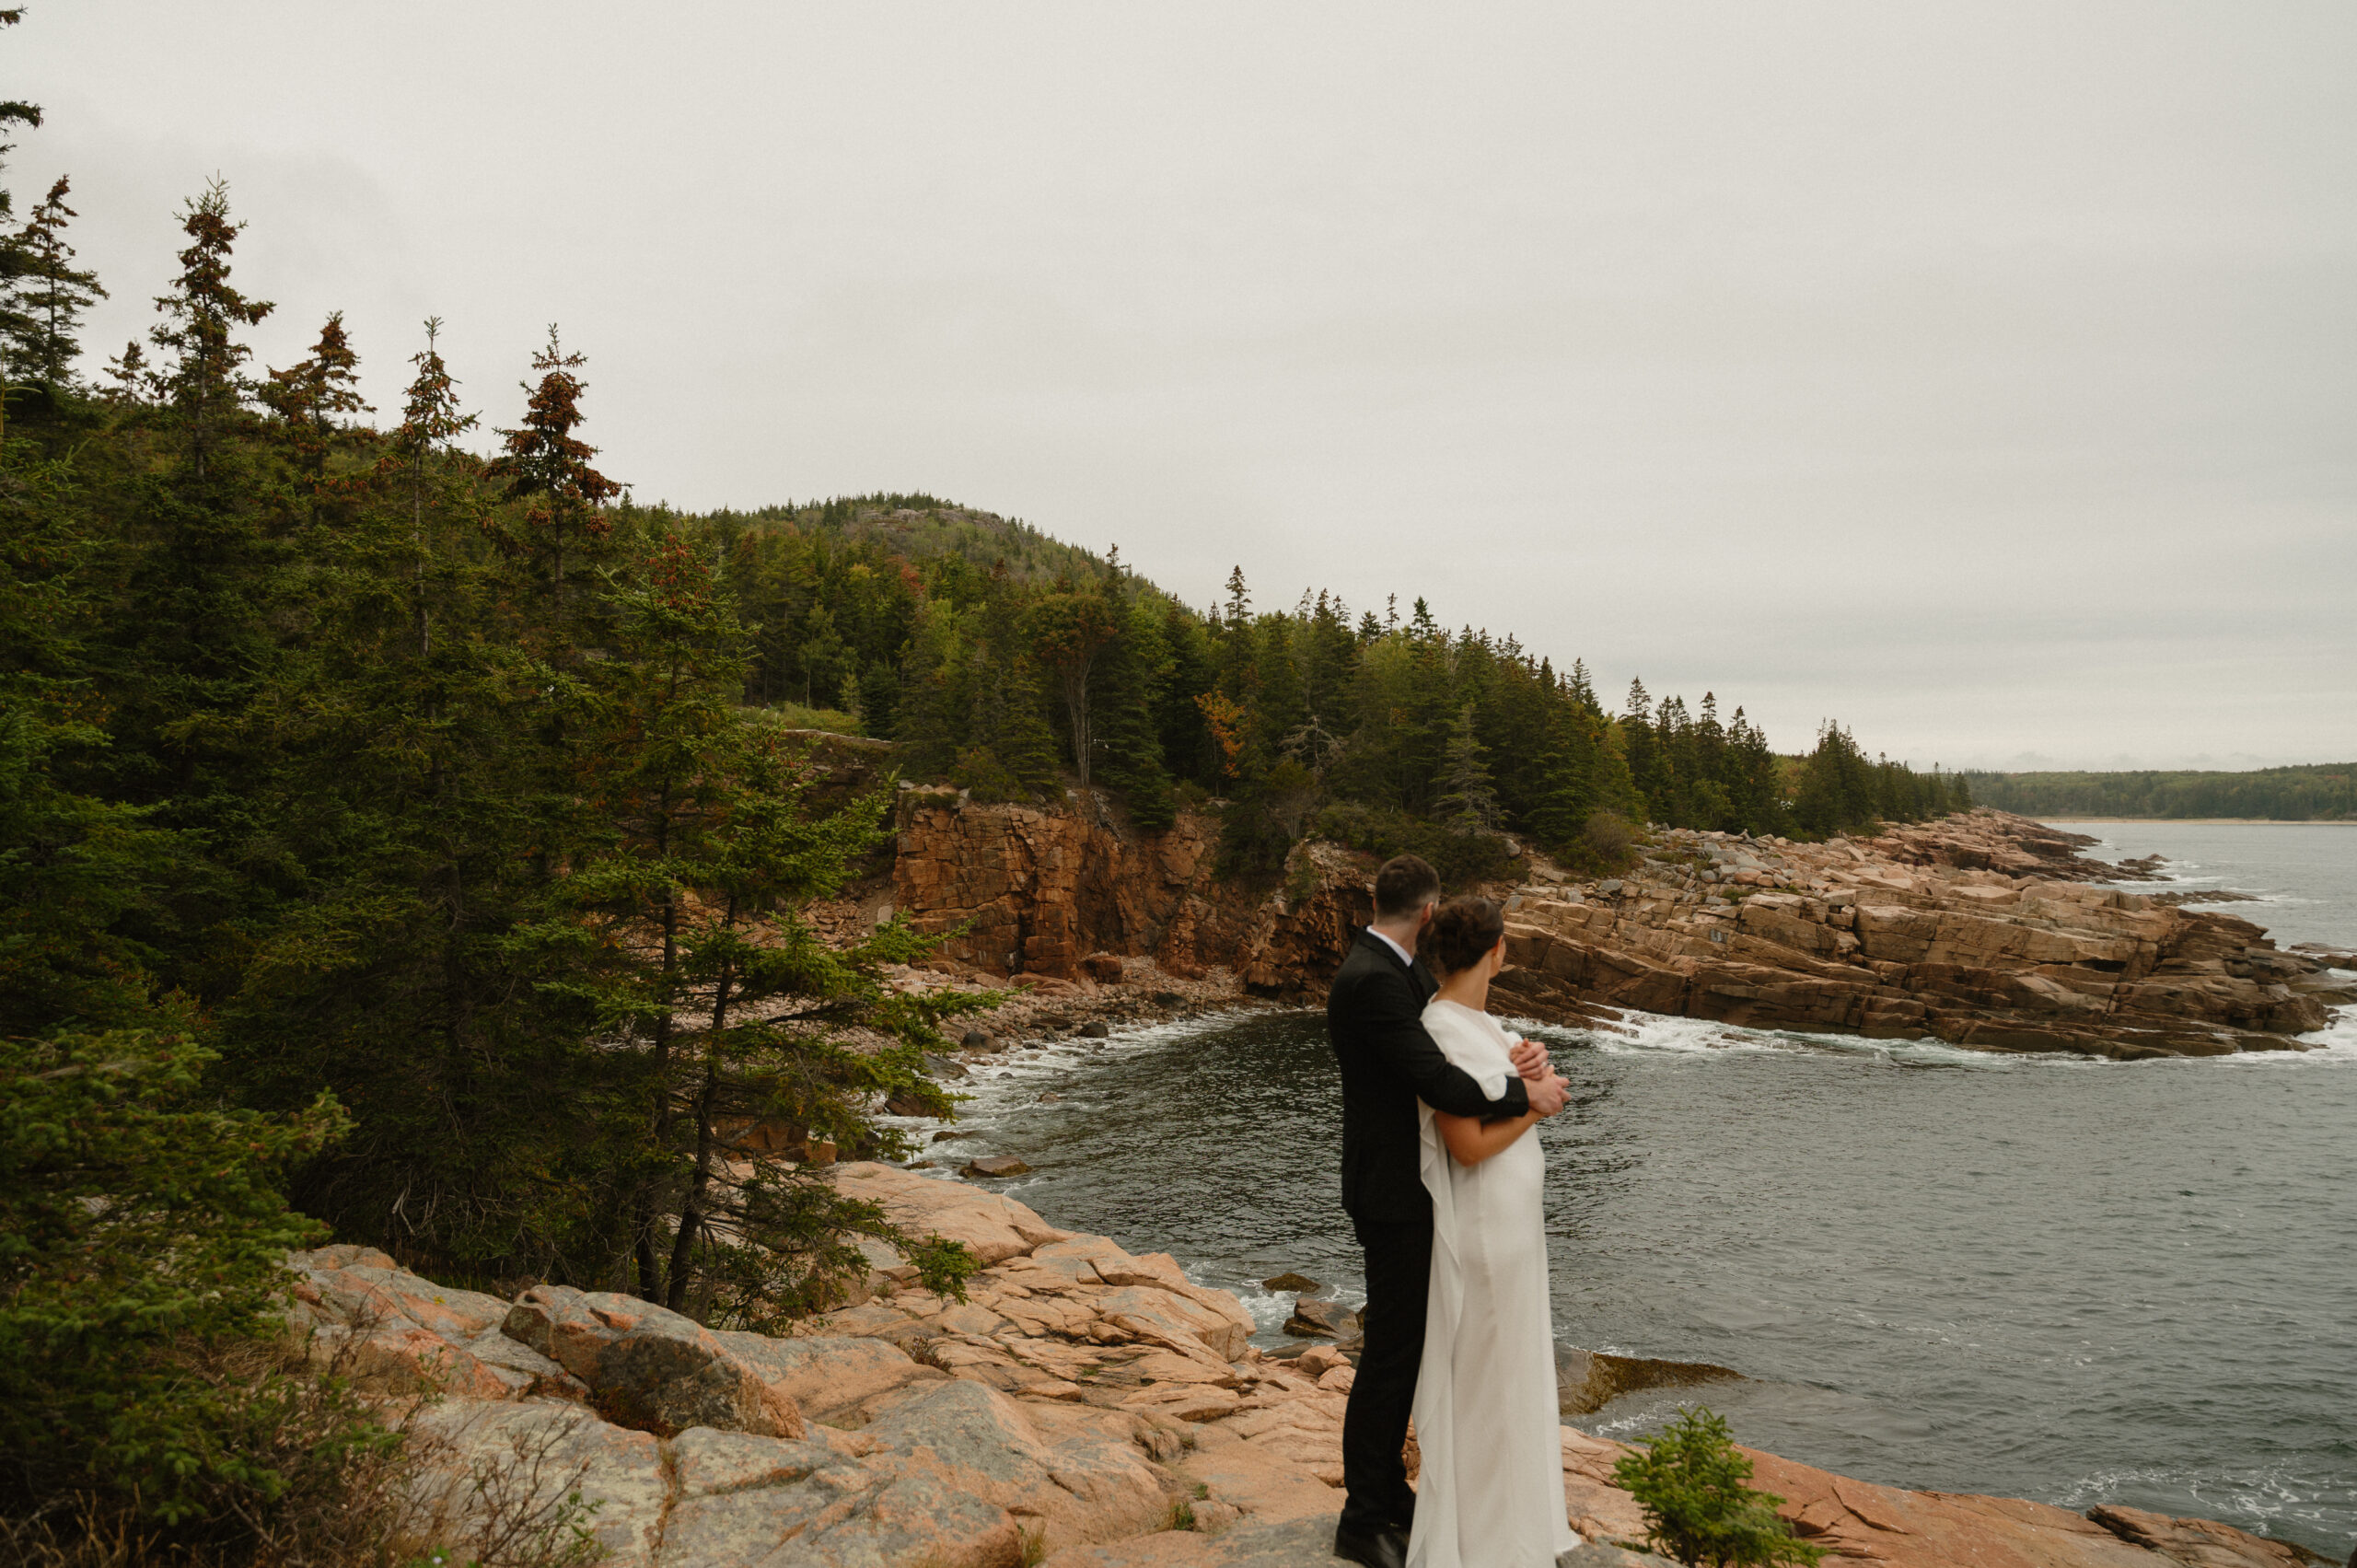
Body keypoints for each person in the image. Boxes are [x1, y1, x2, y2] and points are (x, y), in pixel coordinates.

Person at [1327, 854, 1569, 1568]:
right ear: (1428, 913)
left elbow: (1452, 1047)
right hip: (1392, 1195)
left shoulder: (1397, 972)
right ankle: (1364, 1515)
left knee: (1406, 1351)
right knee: (1391, 1356)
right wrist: (1527, 1096)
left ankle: (1392, 1495)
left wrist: (1512, 1068)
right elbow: (1436, 1079)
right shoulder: (1373, 980)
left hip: (1408, 1191)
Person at [1406, 895, 1576, 1567]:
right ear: (1496, 950)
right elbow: (1467, 1145)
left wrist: (1528, 1068)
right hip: (1483, 1228)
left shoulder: (1480, 1019)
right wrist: (1539, 1106)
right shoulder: (1440, 1030)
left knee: (1517, 1376)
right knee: (1489, 1388)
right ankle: (1487, 1545)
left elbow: (1501, 1087)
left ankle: (1523, 1529)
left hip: (1514, 1228)